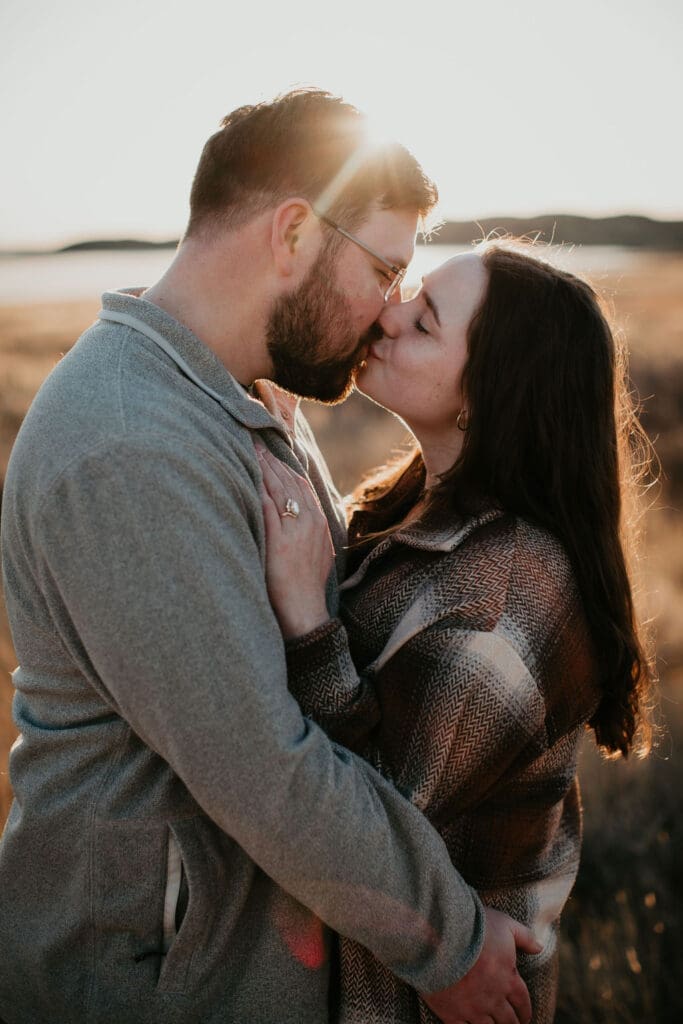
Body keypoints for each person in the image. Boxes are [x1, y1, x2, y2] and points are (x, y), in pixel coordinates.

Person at [0, 91, 539, 1024]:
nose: (387, 312)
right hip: (145, 984)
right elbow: (264, 765)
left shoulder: (241, 393)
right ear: (293, 233)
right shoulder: (129, 445)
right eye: (382, 269)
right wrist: (446, 944)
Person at [258, 243, 656, 1023]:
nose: (387, 312)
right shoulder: (423, 500)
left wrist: (306, 624)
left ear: (486, 395)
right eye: (408, 290)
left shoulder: (506, 604)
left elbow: (365, 824)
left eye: (425, 322)